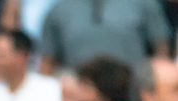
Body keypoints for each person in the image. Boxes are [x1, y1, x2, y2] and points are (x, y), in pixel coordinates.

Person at [39, 0, 170, 74]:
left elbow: (161, 51)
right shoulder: (58, 9)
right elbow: (47, 63)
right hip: (80, 98)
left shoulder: (145, 3)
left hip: (132, 94)